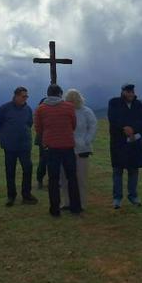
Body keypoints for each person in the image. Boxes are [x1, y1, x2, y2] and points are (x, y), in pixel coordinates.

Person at [34, 84, 81, 217]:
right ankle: (75, 207)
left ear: (48, 94)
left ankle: (54, 210)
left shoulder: (40, 109)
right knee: (72, 177)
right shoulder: (69, 106)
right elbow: (73, 125)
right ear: (60, 94)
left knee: (53, 179)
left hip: (51, 147)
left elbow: (38, 129)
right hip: (67, 146)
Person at [0, 87, 38, 207]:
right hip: (10, 146)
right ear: (16, 96)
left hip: (24, 146)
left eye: (26, 96)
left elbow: (29, 123)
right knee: (10, 171)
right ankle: (11, 196)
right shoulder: (4, 109)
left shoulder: (28, 109)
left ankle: (26, 194)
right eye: (24, 96)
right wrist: (3, 137)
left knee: (28, 169)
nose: (25, 98)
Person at [107, 84, 142, 209]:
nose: (130, 94)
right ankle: (117, 198)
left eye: (132, 92)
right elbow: (113, 118)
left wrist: (133, 129)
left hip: (134, 142)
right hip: (118, 142)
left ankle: (133, 195)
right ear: (123, 92)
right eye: (128, 92)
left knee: (133, 170)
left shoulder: (138, 105)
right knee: (117, 170)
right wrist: (125, 128)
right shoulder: (114, 103)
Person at [62, 89, 97, 210]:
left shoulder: (86, 111)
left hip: (82, 149)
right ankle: (67, 202)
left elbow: (92, 126)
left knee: (81, 178)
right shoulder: (64, 111)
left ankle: (81, 203)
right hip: (66, 148)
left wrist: (86, 141)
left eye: (74, 98)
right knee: (65, 177)